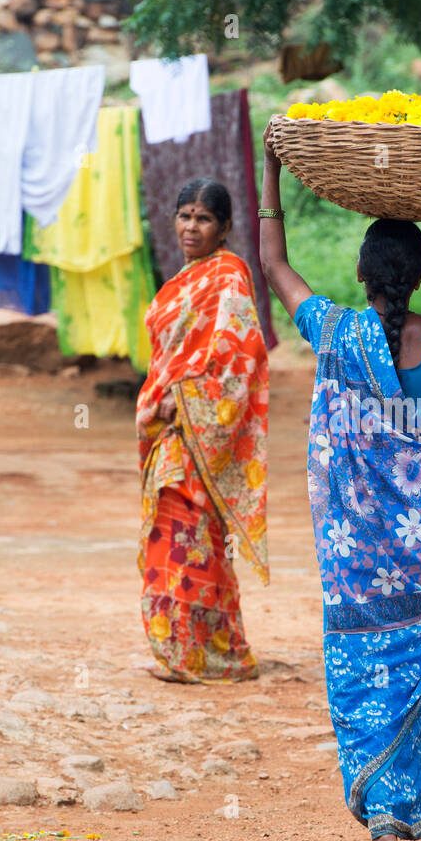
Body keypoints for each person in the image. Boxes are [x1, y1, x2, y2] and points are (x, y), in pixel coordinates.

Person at [259, 122, 421, 841]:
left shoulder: (334, 332)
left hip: (360, 557)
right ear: (418, 275)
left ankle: (389, 826)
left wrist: (270, 170)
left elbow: (271, 263)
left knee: (368, 672)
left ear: (364, 275)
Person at [135, 178, 269, 683]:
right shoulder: (183, 281)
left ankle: (204, 655)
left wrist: (184, 398)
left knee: (189, 539)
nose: (192, 226)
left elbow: (241, 357)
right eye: (185, 215)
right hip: (172, 433)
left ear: (226, 227)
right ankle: (195, 652)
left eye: (204, 218)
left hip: (200, 427)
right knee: (178, 538)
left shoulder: (230, 275)